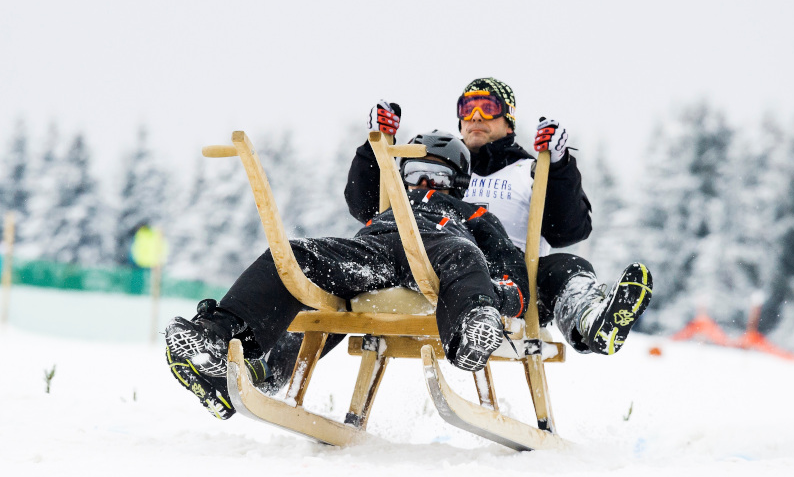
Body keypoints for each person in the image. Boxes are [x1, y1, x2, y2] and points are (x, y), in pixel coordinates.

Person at [166, 131, 532, 420]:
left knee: (467, 256)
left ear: (459, 182)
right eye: (416, 174)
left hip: (441, 248)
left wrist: (496, 296)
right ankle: (215, 340)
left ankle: (473, 323)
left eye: (436, 175)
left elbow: (508, 268)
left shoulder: (474, 214)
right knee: (295, 254)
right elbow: (357, 192)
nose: (424, 184)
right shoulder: (387, 208)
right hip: (377, 251)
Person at [345, 78, 653, 357]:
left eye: (488, 107)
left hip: (510, 278)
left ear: (509, 121)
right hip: (435, 267)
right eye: (467, 108)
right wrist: (376, 146)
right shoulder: (438, 167)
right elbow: (370, 210)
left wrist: (559, 166)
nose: (476, 116)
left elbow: (568, 230)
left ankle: (590, 319)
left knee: (565, 266)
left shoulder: (529, 171)